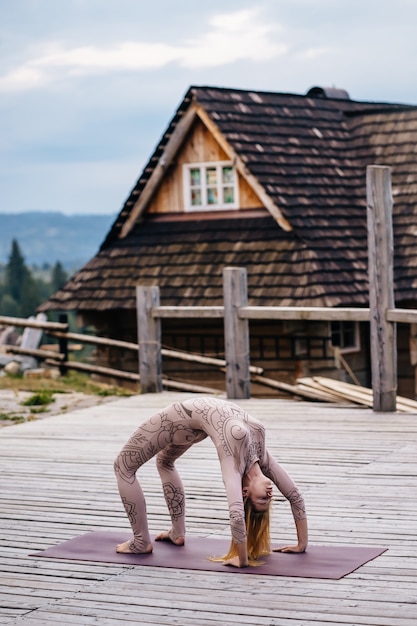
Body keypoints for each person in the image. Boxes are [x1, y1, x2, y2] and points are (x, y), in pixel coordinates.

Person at [113, 396, 308, 567]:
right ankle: (177, 532)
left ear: (245, 492)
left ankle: (140, 542)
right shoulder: (261, 457)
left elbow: (237, 513)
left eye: (261, 501)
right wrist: (301, 544)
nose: (269, 496)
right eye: (268, 501)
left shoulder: (233, 466)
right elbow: (295, 495)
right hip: (194, 421)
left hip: (179, 417)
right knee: (165, 462)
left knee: (123, 467)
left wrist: (241, 559)